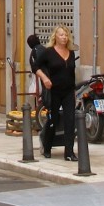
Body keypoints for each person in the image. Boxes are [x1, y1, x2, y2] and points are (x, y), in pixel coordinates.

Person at [35, 25, 78, 161]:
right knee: (53, 120)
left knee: (70, 121)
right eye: (61, 35)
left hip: (68, 92)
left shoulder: (71, 53)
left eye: (66, 35)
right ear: (55, 37)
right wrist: (44, 78)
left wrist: (74, 92)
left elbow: (72, 73)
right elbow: (35, 66)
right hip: (54, 91)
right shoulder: (48, 52)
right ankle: (47, 147)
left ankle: (69, 152)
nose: (64, 37)